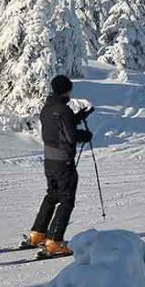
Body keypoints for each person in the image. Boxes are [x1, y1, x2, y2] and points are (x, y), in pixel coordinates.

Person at [25, 75, 94, 257]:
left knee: (52, 195)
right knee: (66, 200)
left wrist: (77, 117)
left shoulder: (47, 109)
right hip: (64, 162)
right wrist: (84, 136)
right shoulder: (64, 110)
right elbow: (70, 136)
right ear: (67, 90)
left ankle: (37, 234)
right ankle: (54, 242)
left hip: (49, 160)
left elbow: (58, 128)